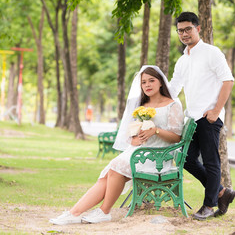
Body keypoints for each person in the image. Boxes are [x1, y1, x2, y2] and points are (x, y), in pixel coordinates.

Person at [50, 65, 184, 225]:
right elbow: (132, 134)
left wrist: (155, 131)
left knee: (115, 168)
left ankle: (104, 211)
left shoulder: (173, 105)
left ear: (161, 82)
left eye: (151, 81)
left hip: (158, 157)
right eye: (144, 82)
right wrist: (135, 139)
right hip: (140, 152)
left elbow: (176, 137)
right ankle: (74, 213)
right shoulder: (143, 106)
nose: (147, 85)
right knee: (106, 176)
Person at [169, 12, 235, 220]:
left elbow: (228, 80)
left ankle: (209, 205)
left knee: (210, 161)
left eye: (188, 29)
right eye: (180, 30)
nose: (184, 34)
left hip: (209, 117)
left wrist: (216, 111)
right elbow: (173, 88)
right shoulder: (182, 60)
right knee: (187, 159)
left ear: (198, 28)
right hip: (192, 118)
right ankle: (222, 192)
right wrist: (152, 98)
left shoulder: (211, 52)